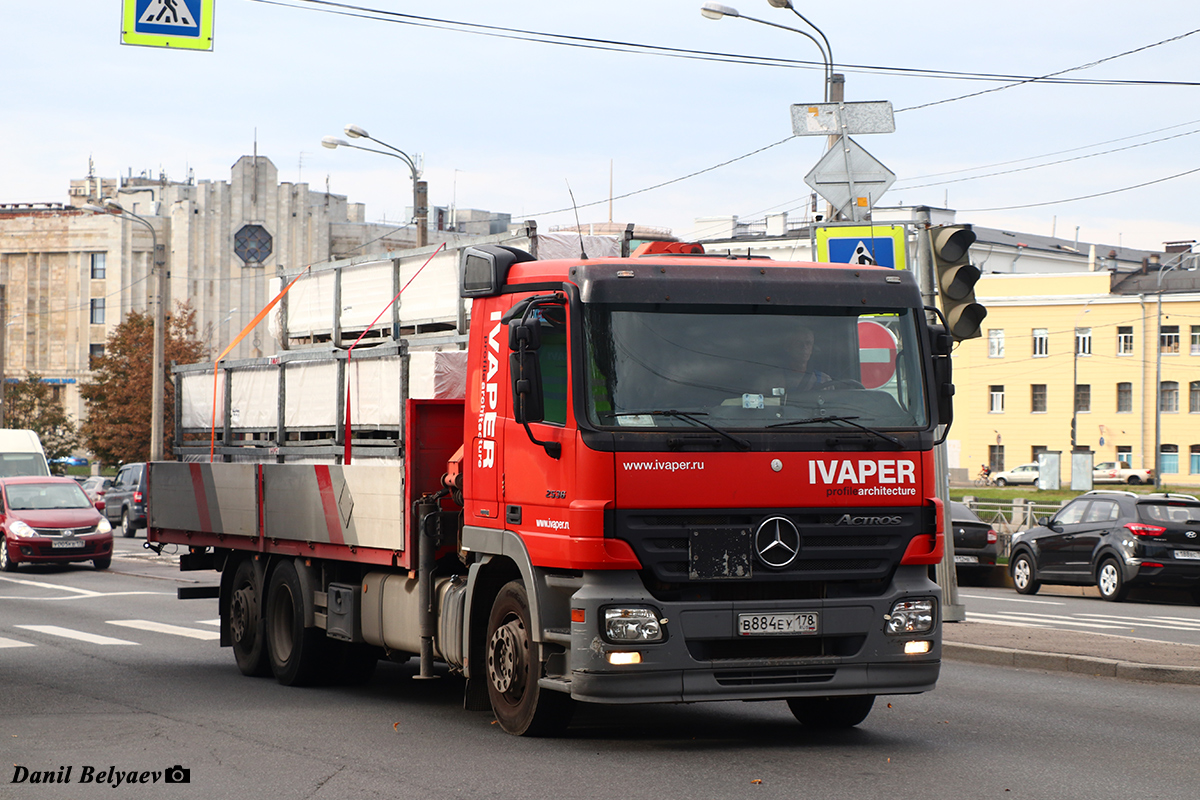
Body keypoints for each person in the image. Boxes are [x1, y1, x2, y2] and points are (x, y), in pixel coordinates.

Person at [790, 326, 830, 391]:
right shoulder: (776, 380)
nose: (804, 347)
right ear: (789, 348)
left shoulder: (825, 380)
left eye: (808, 343)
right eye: (798, 343)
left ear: (812, 349)